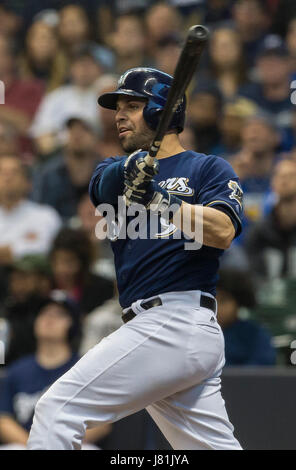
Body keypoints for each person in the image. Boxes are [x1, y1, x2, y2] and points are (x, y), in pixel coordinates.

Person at [27, 67, 243, 450]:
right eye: (117, 107)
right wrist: (132, 170)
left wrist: (162, 200)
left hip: (176, 318)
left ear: (163, 111)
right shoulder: (111, 170)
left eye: (132, 105)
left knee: (57, 409)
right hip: (160, 330)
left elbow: (223, 231)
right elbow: (103, 187)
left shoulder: (207, 168)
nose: (119, 115)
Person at [0, 291, 111, 449]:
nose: (49, 318)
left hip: (72, 445)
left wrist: (58, 445)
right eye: (44, 313)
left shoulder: (86, 367)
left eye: (59, 314)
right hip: (25, 445)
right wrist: (36, 446)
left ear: (72, 324)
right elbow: (3, 420)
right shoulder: (16, 370)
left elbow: (103, 424)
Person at [32, 117, 101, 220]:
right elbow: (38, 210)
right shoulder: (47, 172)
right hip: (57, 231)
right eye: (71, 129)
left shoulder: (107, 172)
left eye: (84, 129)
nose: (77, 135)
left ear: (96, 137)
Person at [0, 154, 62, 266]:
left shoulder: (46, 216)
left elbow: (45, 251)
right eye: (2, 173)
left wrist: (10, 251)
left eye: (14, 173)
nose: (7, 178)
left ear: (28, 183)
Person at [217, 269, 276, 366]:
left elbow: (263, 368)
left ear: (239, 302)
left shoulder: (255, 334)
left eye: (223, 301)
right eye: (211, 301)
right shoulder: (197, 332)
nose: (216, 308)